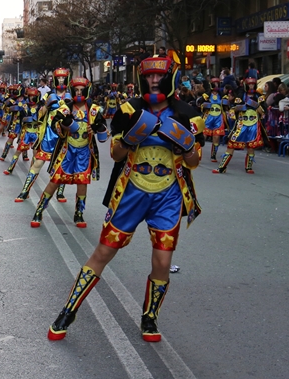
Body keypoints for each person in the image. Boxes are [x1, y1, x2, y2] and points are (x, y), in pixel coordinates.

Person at [46, 55, 204, 343]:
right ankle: (68, 311)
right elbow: (116, 154)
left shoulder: (188, 113)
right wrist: (131, 139)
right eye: (149, 77)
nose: (153, 81)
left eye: (159, 76)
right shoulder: (128, 110)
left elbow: (194, 161)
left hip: (169, 194)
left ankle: (150, 318)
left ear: (170, 78)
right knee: (103, 252)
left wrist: (187, 143)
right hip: (131, 191)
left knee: (162, 261)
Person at [29, 77, 107, 228]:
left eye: (81, 90)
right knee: (55, 180)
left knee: (82, 182)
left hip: (85, 151)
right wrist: (64, 126)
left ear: (86, 90)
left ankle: (79, 213)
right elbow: (54, 124)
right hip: (67, 150)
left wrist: (97, 129)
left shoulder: (94, 109)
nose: (78, 92)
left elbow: (102, 128)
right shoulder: (65, 108)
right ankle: (39, 210)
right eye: (76, 90)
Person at [15, 68, 72, 203]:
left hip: (63, 136)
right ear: (55, 80)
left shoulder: (72, 96)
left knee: (61, 165)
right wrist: (47, 105)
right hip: (47, 136)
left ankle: (60, 192)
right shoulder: (48, 95)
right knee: (37, 162)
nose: (61, 80)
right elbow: (38, 115)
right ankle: (25, 191)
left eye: (64, 78)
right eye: (59, 78)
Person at [213, 77, 266, 174]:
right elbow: (233, 108)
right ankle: (222, 167)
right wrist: (235, 112)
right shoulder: (240, 96)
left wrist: (258, 108)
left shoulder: (259, 97)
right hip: (241, 124)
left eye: (253, 84)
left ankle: (248, 167)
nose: (251, 86)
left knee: (251, 146)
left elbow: (263, 111)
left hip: (254, 124)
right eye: (249, 84)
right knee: (231, 144)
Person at [201, 78, 229, 162]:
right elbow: (200, 105)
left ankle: (213, 155)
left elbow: (227, 106)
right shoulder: (206, 95)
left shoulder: (223, 95)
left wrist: (226, 104)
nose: (216, 85)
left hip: (218, 117)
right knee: (203, 136)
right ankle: (197, 153)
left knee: (216, 137)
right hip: (208, 117)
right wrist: (205, 105)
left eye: (217, 83)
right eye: (214, 83)